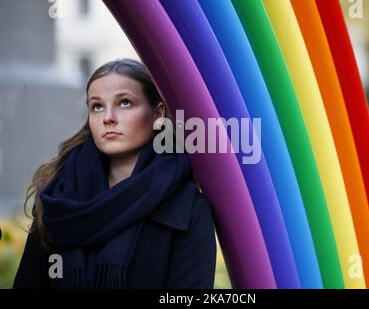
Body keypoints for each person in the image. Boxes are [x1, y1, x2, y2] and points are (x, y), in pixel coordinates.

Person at [13, 58, 217, 289]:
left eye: (125, 103)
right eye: (97, 106)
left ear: (158, 113)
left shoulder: (187, 206)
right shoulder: (59, 197)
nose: (108, 117)